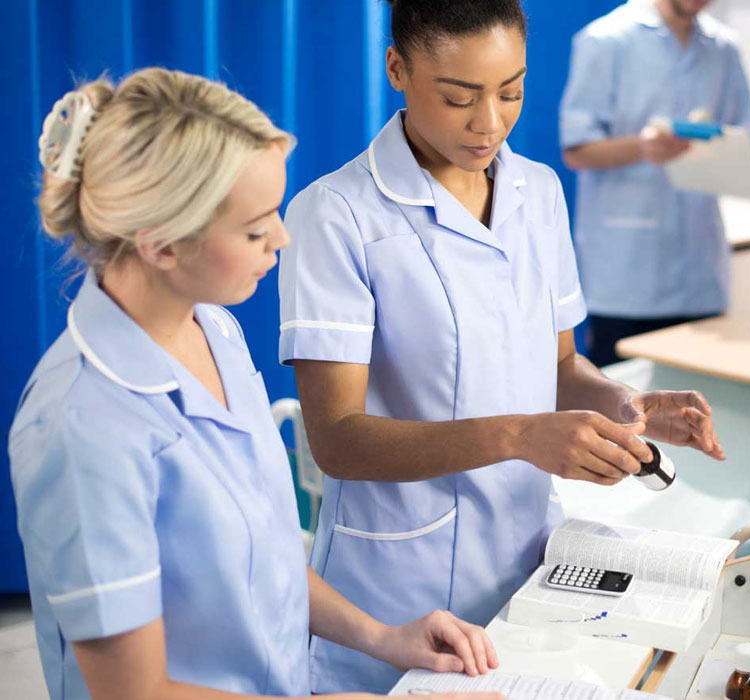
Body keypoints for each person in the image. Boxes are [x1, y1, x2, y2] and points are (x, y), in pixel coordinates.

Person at [278, 0, 726, 693]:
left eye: (511, 91)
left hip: (529, 569)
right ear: (397, 68)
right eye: (458, 97)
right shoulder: (337, 216)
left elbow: (555, 368)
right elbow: (337, 441)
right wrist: (520, 435)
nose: (489, 122)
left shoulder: (537, 193)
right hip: (397, 591)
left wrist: (624, 402)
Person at [11, 68, 497, 700]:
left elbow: (265, 555)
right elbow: (134, 693)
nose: (283, 237)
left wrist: (384, 637)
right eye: (254, 227)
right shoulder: (82, 425)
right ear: (160, 245)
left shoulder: (215, 329)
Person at [559, 0, 750, 366]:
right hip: (629, 274)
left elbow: (744, 136)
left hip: (701, 275)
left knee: (697, 408)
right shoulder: (606, 40)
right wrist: (642, 147)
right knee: (622, 408)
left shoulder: (724, 48)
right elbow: (577, 149)